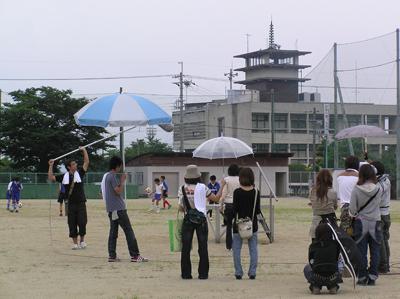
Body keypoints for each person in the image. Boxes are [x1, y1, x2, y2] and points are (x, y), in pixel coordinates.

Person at [101, 156, 148, 263]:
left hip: (112, 209)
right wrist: (122, 181)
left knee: (113, 232)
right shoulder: (112, 176)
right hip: (119, 209)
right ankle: (135, 255)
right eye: (120, 166)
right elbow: (118, 191)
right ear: (117, 166)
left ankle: (112, 255)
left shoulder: (107, 176)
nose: (120, 168)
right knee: (128, 231)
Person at [178, 165, 222, 280]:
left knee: (186, 247)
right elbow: (216, 199)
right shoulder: (203, 187)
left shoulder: (182, 188)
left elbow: (180, 208)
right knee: (203, 247)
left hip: (188, 219)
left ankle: (186, 274)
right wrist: (222, 186)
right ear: (198, 176)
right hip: (201, 219)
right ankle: (203, 274)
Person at [48, 147, 89, 250]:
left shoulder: (80, 173)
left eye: (75, 164)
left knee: (82, 222)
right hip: (70, 203)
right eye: (74, 164)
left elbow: (86, 162)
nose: (76, 165)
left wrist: (84, 150)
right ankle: (75, 243)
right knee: (72, 223)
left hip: (80, 203)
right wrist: (51, 166)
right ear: (69, 167)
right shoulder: (63, 176)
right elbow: (51, 178)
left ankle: (82, 241)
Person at [349, 164, 383, 286]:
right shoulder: (378, 188)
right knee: (375, 250)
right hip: (376, 221)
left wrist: (355, 213)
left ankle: (362, 277)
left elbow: (352, 209)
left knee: (361, 251)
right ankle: (373, 276)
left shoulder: (357, 189)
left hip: (360, 222)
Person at [232, 167, 261, 280]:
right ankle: (252, 272)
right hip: (252, 225)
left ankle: (239, 272)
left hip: (239, 225)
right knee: (253, 249)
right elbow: (258, 210)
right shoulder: (256, 192)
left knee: (236, 250)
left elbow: (235, 210)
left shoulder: (237, 192)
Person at [304, 223, 341, 295]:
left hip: (317, 275)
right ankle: (332, 286)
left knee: (306, 268)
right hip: (332, 274)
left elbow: (311, 261)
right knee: (339, 265)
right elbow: (336, 258)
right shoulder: (335, 244)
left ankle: (315, 286)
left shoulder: (313, 245)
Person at [370, 161, 391, 274]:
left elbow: (375, 193)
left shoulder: (381, 184)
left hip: (381, 214)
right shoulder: (385, 179)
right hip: (385, 214)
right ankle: (385, 264)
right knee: (384, 240)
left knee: (381, 241)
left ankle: (382, 265)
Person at [309, 169, 338, 240]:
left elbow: (312, 203)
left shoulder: (312, 191)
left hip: (316, 223)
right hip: (330, 223)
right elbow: (335, 206)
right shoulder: (333, 192)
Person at [219, 164, 241, 250]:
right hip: (238, 205)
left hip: (228, 205)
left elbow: (223, 194)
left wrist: (221, 205)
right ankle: (237, 244)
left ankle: (229, 246)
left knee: (228, 226)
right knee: (237, 225)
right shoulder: (240, 179)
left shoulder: (226, 180)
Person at [337, 156, 359, 235]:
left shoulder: (339, 176)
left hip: (344, 208)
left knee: (344, 234)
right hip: (357, 208)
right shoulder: (359, 176)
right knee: (357, 234)